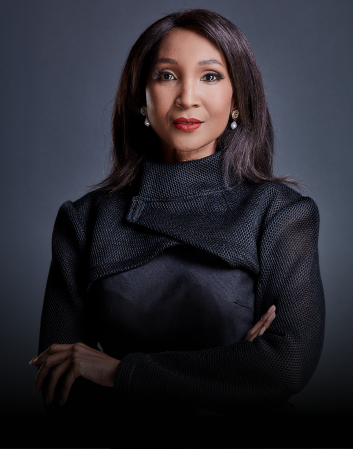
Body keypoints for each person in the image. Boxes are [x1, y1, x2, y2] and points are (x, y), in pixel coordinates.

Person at [29, 8, 325, 420]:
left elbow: (285, 366)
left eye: (210, 76)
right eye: (167, 75)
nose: (187, 97)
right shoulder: (85, 222)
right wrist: (229, 378)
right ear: (141, 98)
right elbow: (62, 387)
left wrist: (117, 372)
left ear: (238, 100)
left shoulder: (280, 214)